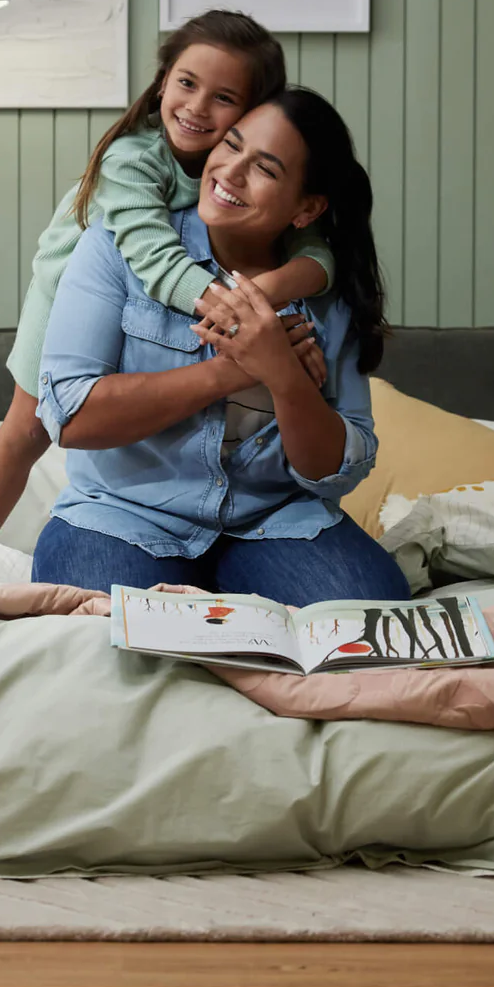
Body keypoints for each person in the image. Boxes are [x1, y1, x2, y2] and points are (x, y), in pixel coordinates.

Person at [0, 11, 336, 541]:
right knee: (26, 429)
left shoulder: (231, 167)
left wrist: (270, 301)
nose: (197, 108)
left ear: (251, 112)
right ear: (163, 80)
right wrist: (245, 322)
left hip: (169, 291)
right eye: (186, 83)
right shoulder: (132, 160)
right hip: (73, 282)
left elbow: (318, 255)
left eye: (224, 98)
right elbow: (155, 260)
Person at [30, 88, 411, 606]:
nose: (230, 171)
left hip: (275, 522)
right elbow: (70, 418)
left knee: (372, 617)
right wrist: (234, 372)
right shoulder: (121, 248)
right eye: (230, 146)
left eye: (265, 169)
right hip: (123, 516)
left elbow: (332, 471)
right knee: (103, 639)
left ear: (307, 208)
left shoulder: (323, 294)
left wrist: (284, 376)